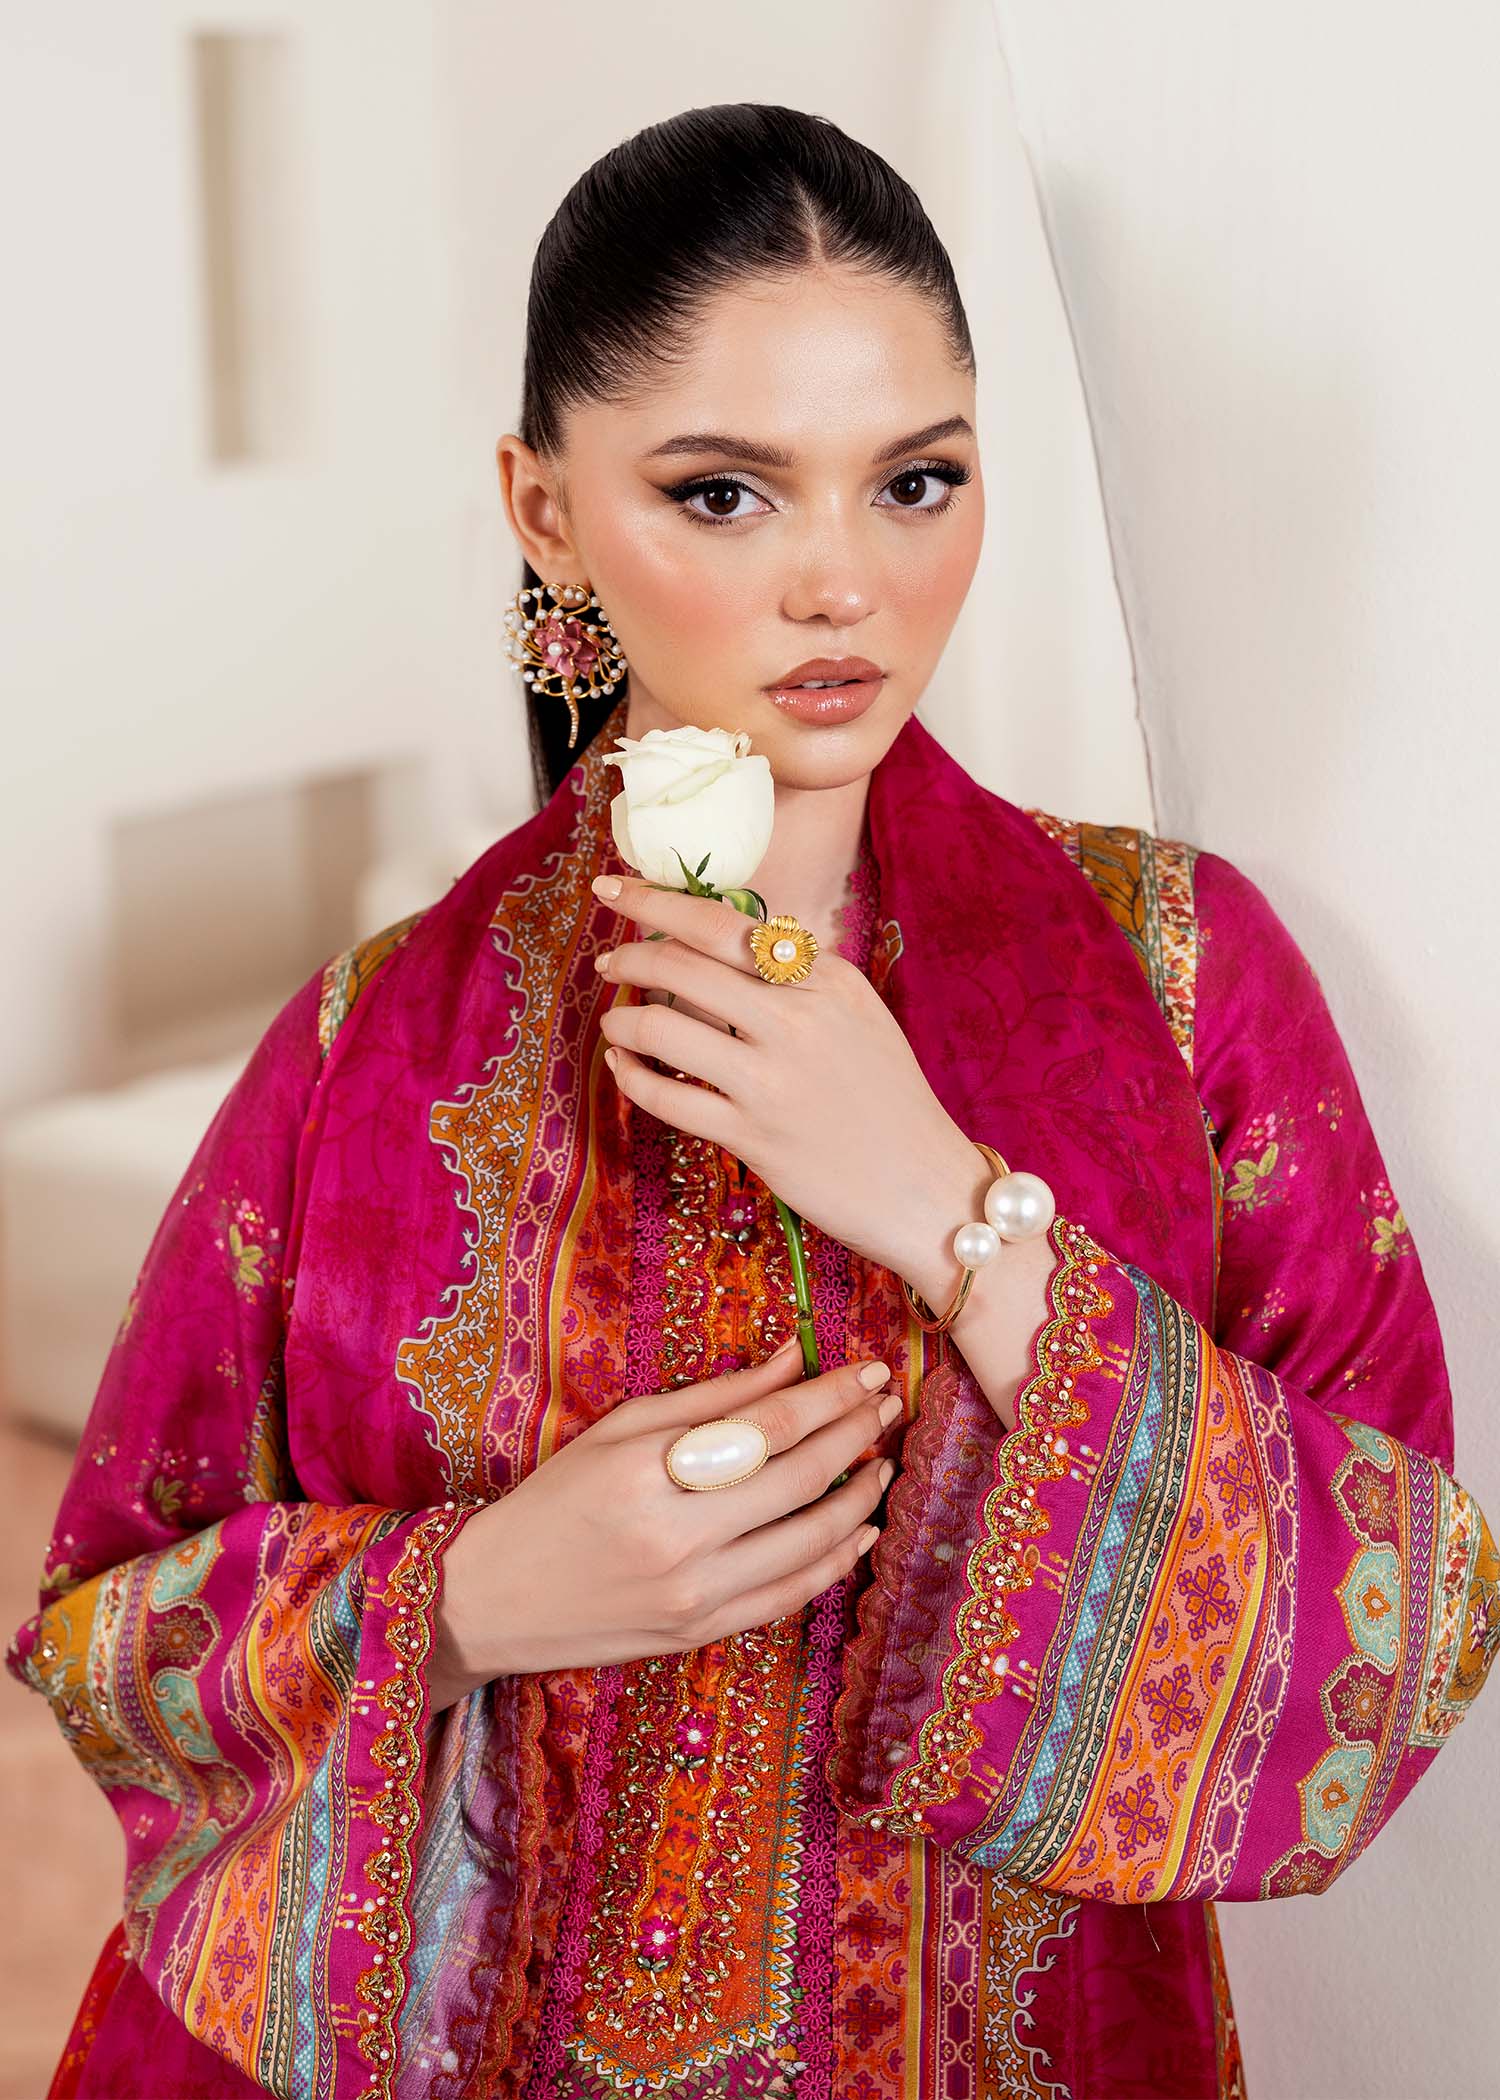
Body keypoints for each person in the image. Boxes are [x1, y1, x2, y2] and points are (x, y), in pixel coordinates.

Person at [9, 101, 1495, 2100]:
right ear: (545, 513)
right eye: (724, 495)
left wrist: (960, 1221)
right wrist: (465, 1603)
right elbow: (115, 1643)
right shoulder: (356, 1051)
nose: (844, 585)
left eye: (915, 482)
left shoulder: (1183, 979)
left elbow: (1401, 1616)